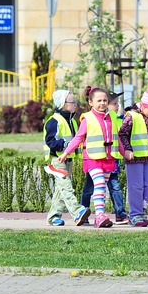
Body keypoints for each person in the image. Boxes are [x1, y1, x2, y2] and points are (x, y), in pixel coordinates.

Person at [58, 87, 118, 228]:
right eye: (99, 100)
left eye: (105, 100)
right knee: (99, 184)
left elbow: (117, 138)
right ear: (91, 102)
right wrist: (66, 152)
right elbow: (78, 137)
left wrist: (124, 151)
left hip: (107, 159)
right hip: (92, 159)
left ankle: (100, 216)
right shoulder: (88, 118)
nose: (102, 103)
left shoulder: (111, 118)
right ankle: (99, 216)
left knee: (101, 189)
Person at [118, 84, 148, 227]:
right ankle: (135, 214)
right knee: (136, 186)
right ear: (144, 105)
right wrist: (127, 149)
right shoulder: (131, 116)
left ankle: (142, 209)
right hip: (134, 158)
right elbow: (122, 134)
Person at [44, 89, 89, 226]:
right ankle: (78, 211)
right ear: (63, 104)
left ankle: (53, 217)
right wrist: (64, 145)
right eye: (72, 102)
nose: (75, 104)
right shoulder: (54, 121)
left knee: (60, 190)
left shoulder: (73, 121)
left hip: (68, 159)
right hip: (57, 160)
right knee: (66, 187)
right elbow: (50, 141)